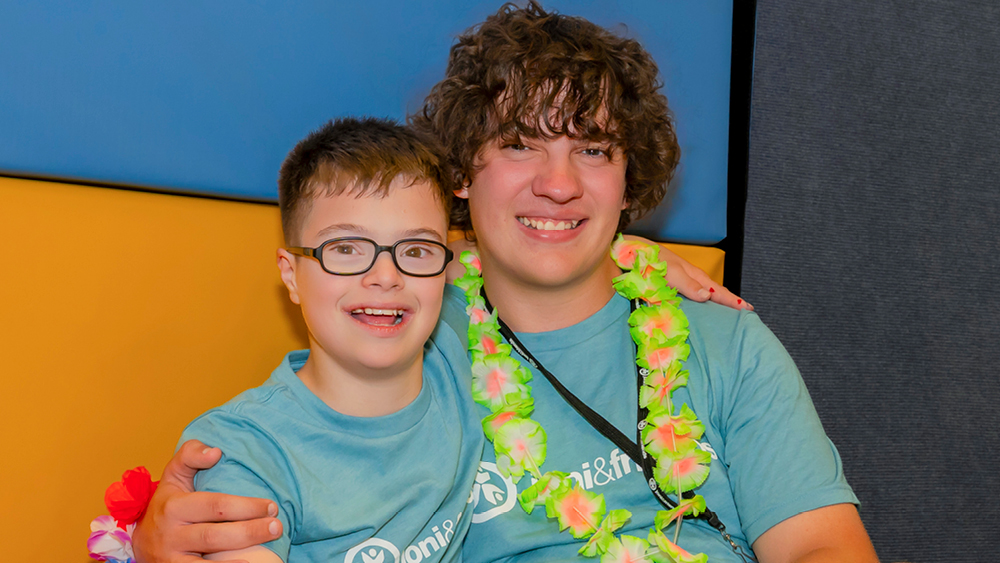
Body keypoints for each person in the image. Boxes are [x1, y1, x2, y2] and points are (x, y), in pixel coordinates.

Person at [134, 3, 879, 563]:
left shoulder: (725, 340)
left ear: (629, 184)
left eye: (593, 149)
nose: (558, 185)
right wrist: (159, 532)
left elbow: (823, 544)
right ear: (461, 172)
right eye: (520, 144)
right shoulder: (408, 333)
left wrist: (641, 259)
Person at [172, 117, 484, 563]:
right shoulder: (245, 450)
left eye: (415, 250)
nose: (385, 277)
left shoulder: (457, 339)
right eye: (345, 249)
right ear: (290, 274)